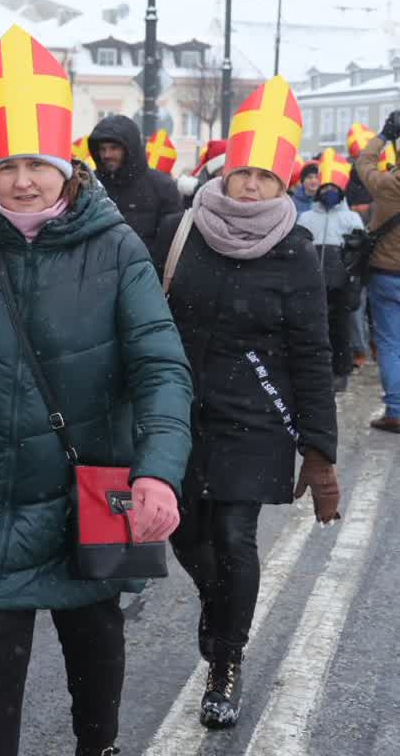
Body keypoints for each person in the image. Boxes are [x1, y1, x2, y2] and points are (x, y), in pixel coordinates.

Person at [0, 26, 192, 756]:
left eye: (37, 165)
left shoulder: (116, 247)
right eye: (8, 167)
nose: (23, 181)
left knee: (93, 652)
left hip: (86, 489)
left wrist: (157, 472)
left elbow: (161, 368)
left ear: (65, 169)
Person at [153, 76, 341, 729]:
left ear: (282, 182)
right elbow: (142, 320)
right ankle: (220, 604)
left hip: (256, 415)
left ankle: (225, 660)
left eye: (265, 177)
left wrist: (319, 451)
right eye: (243, 174)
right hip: (177, 411)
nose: (252, 187)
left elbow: (312, 352)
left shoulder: (296, 252)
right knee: (181, 529)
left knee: (234, 535)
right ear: (225, 173)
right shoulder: (179, 232)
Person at [296, 149, 364, 393]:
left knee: (340, 330)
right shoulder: (306, 218)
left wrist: (354, 283)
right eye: (325, 188)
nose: (328, 192)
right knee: (314, 330)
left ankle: (341, 370)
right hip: (313, 283)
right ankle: (317, 370)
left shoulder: (351, 219)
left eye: (333, 188)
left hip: (342, 284)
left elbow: (359, 256)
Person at [356, 113, 400, 431]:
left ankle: (396, 410)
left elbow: (364, 161)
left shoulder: (387, 185)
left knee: (389, 343)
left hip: (385, 274)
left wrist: (385, 135)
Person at [87, 113, 182, 252]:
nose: (107, 155)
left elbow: (171, 239)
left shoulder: (162, 186)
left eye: (114, 148)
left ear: (129, 149)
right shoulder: (90, 185)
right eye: (102, 149)